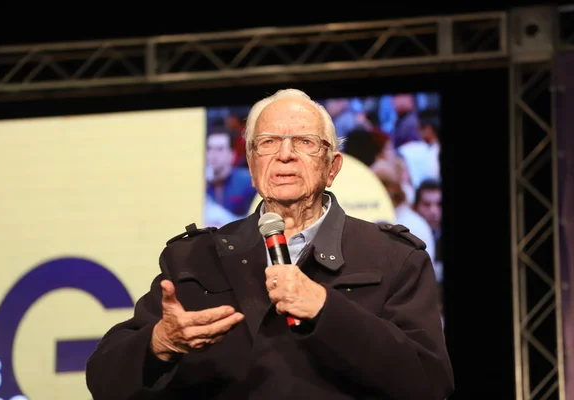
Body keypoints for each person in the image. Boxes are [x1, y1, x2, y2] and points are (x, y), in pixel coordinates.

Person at [85, 88, 454, 399]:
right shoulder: (194, 258)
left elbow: (430, 382)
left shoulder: (393, 257)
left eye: (305, 142)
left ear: (333, 166)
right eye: (268, 142)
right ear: (250, 162)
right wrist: (160, 344)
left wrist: (327, 309)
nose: (285, 154)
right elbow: (104, 380)